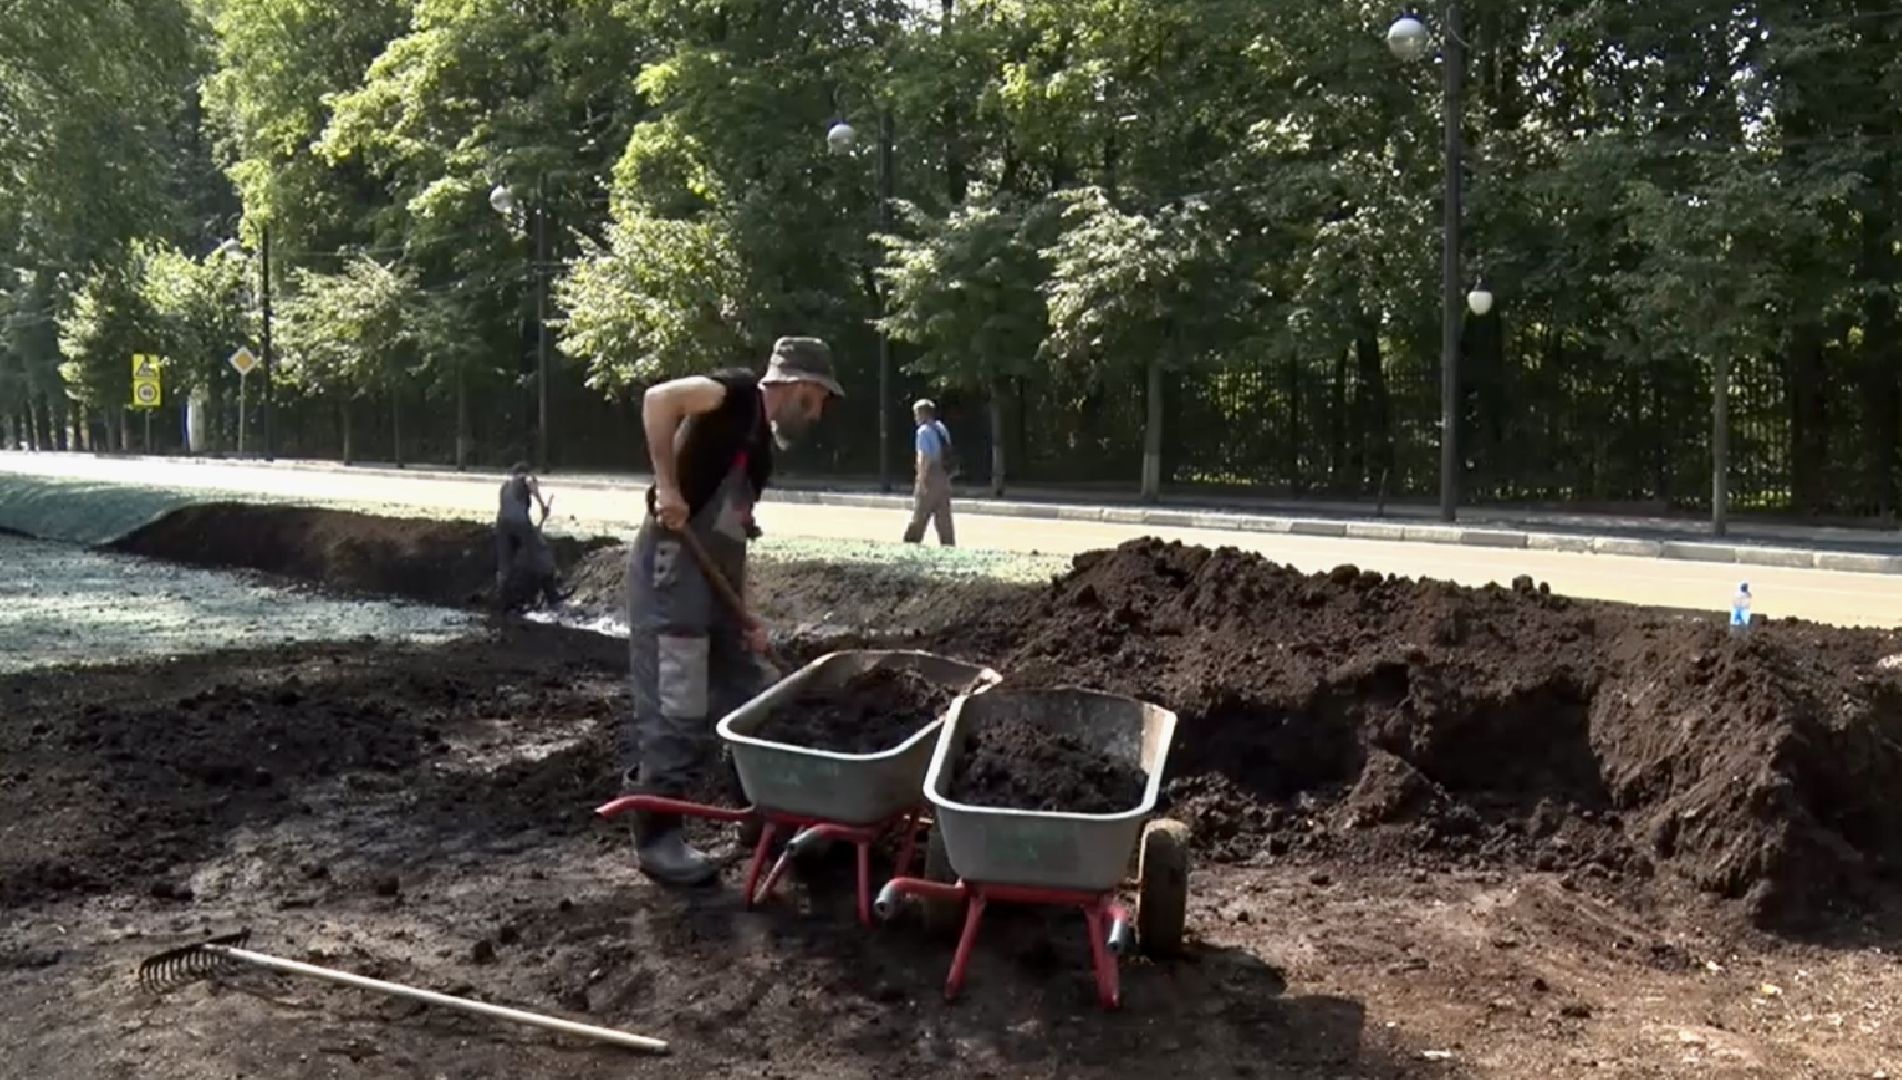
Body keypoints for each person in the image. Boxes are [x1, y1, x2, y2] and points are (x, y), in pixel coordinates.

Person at [623, 336, 843, 886]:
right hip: (672, 572)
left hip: (712, 582)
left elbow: (730, 540)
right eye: (817, 401)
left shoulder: (759, 452)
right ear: (796, 387)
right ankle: (658, 837)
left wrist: (746, 617)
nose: (817, 415)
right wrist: (669, 487)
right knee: (678, 701)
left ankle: (761, 812)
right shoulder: (734, 393)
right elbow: (658, 400)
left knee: (754, 693)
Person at [494, 461, 551, 607]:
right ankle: (552, 595)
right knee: (540, 553)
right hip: (520, 524)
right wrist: (542, 505)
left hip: (502, 525)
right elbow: (530, 483)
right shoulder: (525, 479)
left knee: (505, 564)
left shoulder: (504, 486)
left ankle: (503, 600)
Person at [902, 398, 956, 547]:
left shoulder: (923, 431)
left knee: (920, 513)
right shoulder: (941, 428)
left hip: (931, 474)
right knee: (943, 516)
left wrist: (921, 479)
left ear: (922, 414)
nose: (915, 418)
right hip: (943, 475)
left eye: (916, 414)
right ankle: (948, 546)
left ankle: (910, 544)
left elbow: (924, 457)